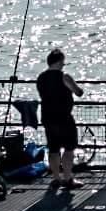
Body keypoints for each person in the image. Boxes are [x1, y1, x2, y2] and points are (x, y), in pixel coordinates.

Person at [35, 48, 84, 189]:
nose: (64, 64)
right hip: (64, 118)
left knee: (53, 149)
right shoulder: (64, 77)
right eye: (63, 61)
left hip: (47, 117)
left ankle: (56, 178)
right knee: (69, 149)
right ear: (58, 62)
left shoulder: (41, 78)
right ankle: (68, 178)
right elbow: (78, 92)